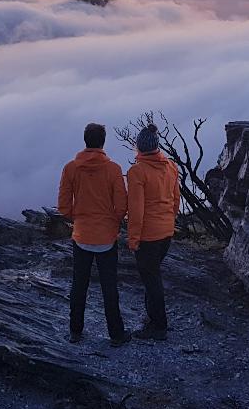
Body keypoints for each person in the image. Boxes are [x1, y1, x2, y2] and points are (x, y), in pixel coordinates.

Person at [57, 122, 131, 346]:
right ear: (103, 142)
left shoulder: (71, 168)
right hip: (106, 237)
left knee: (79, 285)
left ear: (85, 140)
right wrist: (112, 222)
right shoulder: (114, 169)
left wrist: (78, 218)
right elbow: (121, 205)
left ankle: (75, 331)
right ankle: (116, 335)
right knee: (109, 287)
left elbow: (63, 206)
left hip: (81, 236)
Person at [125, 124, 180, 341]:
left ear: (138, 147)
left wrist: (133, 239)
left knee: (151, 279)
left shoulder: (137, 172)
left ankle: (158, 326)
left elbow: (136, 210)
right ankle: (152, 318)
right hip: (166, 232)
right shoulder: (171, 166)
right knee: (153, 275)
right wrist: (169, 221)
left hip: (148, 235)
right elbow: (176, 200)